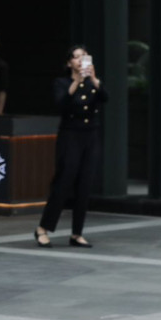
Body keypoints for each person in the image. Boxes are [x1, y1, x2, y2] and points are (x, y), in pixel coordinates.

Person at [35, 45, 107, 248]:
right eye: (76, 57)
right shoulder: (63, 82)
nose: (80, 60)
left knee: (85, 184)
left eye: (84, 56)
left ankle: (77, 232)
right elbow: (62, 104)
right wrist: (76, 82)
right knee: (64, 182)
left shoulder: (93, 82)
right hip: (70, 136)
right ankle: (43, 228)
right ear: (69, 63)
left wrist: (93, 79)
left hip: (90, 136)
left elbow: (105, 98)